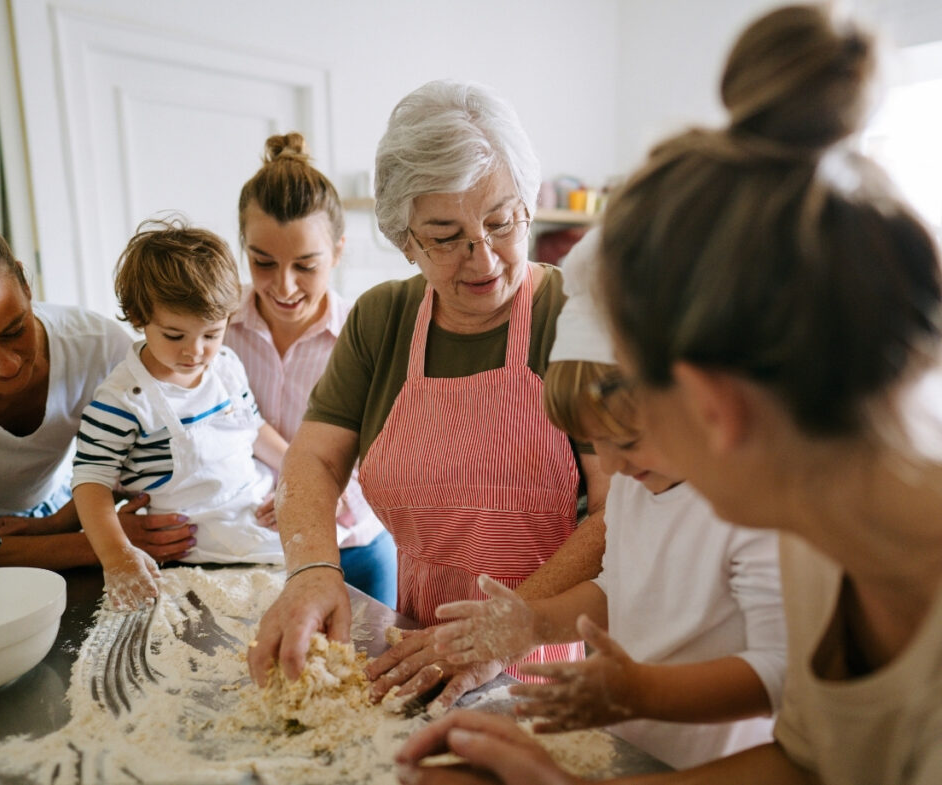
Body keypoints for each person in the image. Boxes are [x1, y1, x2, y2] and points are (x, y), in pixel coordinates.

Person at [396, 4, 942, 785]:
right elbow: (809, 762)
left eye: (636, 421)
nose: (617, 465)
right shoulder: (821, 529)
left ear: (714, 407)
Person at [247, 80, 609, 711]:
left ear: (528, 206)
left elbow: (617, 512)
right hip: (415, 641)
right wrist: (312, 570)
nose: (483, 260)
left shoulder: (571, 316)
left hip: (544, 656)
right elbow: (315, 459)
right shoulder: (381, 319)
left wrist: (496, 632)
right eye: (445, 236)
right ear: (404, 239)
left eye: (501, 223)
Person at [431, 229, 786, 770]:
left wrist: (640, 691)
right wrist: (532, 623)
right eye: (595, 442)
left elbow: (777, 672)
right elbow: (618, 590)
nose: (612, 466)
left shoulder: (752, 511)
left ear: (700, 403)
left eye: (629, 439)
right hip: (632, 750)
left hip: (711, 765)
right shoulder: (635, 484)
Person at [0, 202, 194, 568]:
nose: (6, 366)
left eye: (14, 330)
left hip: (63, 511)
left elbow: (130, 460)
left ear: (24, 282)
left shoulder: (97, 346)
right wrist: (100, 546)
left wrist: (60, 526)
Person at [72, 219, 283, 609]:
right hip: (189, 554)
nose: (196, 352)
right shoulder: (122, 400)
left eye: (211, 334)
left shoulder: (226, 366)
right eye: (174, 335)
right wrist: (116, 555)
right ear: (138, 316)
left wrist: (298, 475)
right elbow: (90, 481)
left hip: (254, 523)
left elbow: (254, 429)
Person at [224, 132, 397, 608]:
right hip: (244, 550)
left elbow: (390, 456)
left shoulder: (367, 337)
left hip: (354, 550)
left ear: (338, 251)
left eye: (305, 265)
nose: (283, 286)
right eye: (263, 262)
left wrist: (314, 496)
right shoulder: (214, 329)